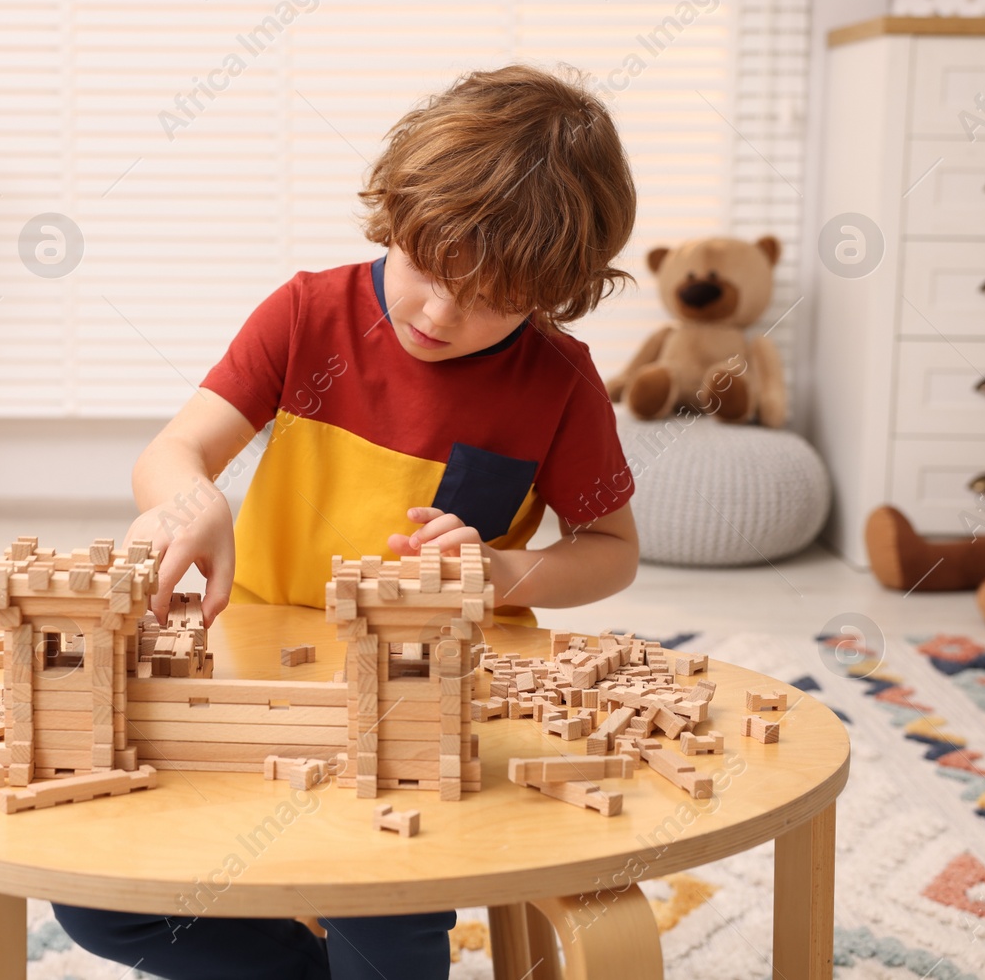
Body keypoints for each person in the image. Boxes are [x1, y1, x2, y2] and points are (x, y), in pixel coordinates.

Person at [54, 63, 641, 980]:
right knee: (97, 899)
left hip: (422, 704)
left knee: (388, 929)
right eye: (429, 268)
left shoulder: (560, 382)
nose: (440, 312)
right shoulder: (307, 314)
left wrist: (501, 572)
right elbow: (174, 450)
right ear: (394, 218)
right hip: (255, 671)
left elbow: (612, 554)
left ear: (554, 291)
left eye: (489, 298)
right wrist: (191, 496)